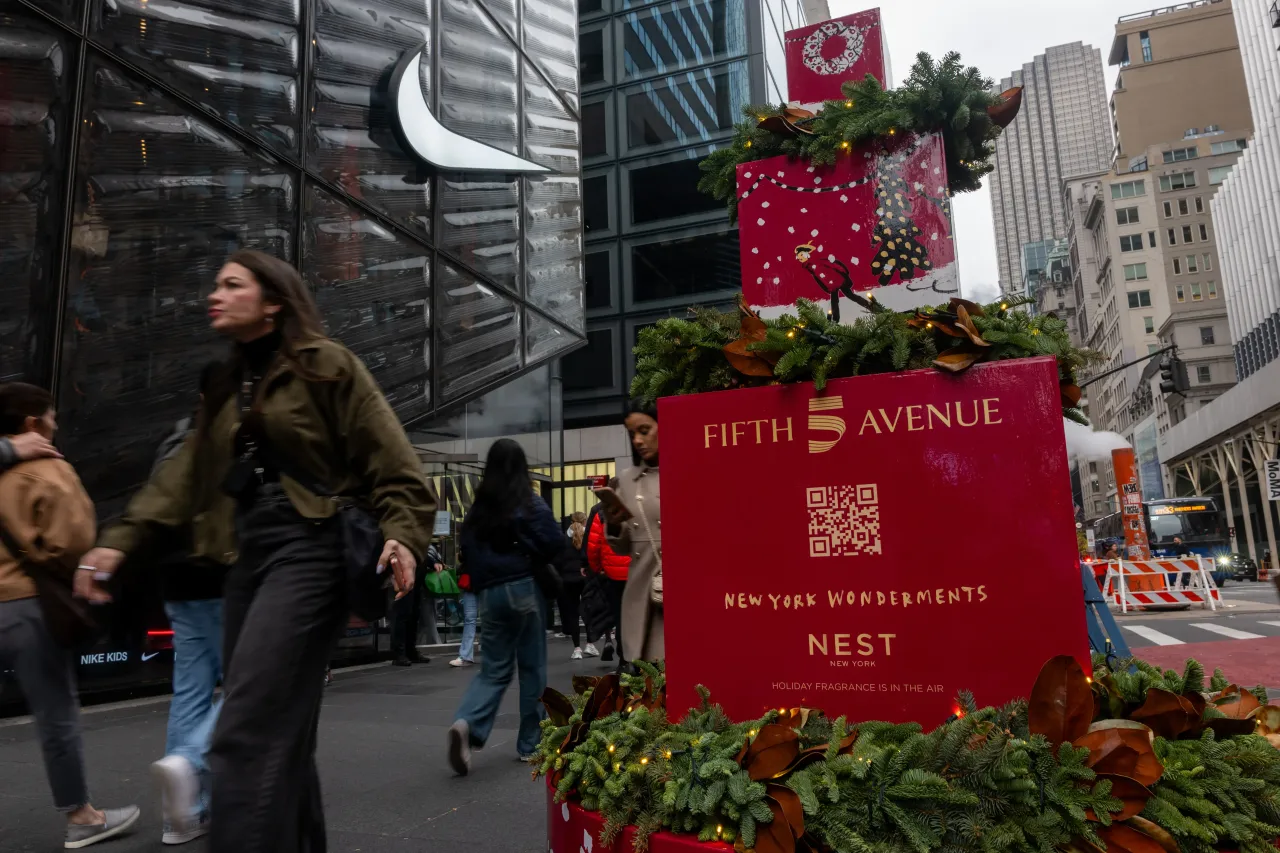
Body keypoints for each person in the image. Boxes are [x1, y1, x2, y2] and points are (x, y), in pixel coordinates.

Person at [75, 249, 436, 852]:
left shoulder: (328, 365)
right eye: (215, 283)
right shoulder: (225, 382)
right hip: (245, 556)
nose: (214, 294)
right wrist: (118, 543)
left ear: (272, 302)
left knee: (244, 730)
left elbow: (393, 463)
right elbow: (183, 478)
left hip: (311, 545)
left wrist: (403, 533)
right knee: (283, 735)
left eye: (232, 284)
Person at [0, 382, 141, 848]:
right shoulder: (47, 471)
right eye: (53, 417)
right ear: (33, 424)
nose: (57, 425)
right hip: (26, 606)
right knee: (55, 713)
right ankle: (83, 816)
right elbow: (74, 542)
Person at [448, 439, 563, 775]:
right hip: (524, 588)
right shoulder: (529, 502)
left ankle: (466, 723)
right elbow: (554, 542)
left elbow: (467, 551)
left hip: (490, 595)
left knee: (493, 670)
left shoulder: (479, 508)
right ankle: (530, 744)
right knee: (532, 669)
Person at [148, 373, 230, 845]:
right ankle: (191, 764)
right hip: (222, 579)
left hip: (176, 582)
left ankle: (182, 815)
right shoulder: (234, 445)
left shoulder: (172, 444)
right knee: (247, 686)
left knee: (190, 692)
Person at [600, 400, 663, 664]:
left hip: (692, 592)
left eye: (644, 430)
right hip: (645, 593)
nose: (637, 440)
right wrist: (613, 524)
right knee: (655, 676)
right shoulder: (626, 480)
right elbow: (624, 547)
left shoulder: (691, 469)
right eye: (632, 434)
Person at [584, 491, 630, 663]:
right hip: (635, 572)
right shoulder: (634, 509)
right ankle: (641, 660)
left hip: (612, 574)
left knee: (618, 616)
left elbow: (593, 546)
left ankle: (624, 660)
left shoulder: (600, 513)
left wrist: (597, 569)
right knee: (636, 615)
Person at [392, 541, 444, 666]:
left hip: (416, 581)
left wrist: (433, 562)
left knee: (413, 616)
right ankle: (400, 653)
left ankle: (410, 651)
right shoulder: (405, 537)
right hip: (403, 579)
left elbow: (422, 553)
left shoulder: (418, 538)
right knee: (402, 615)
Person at [556, 513, 597, 660]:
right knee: (587, 610)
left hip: (568, 579)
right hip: (585, 578)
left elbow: (557, 560)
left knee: (573, 613)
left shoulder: (562, 538)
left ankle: (577, 648)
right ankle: (590, 644)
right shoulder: (588, 537)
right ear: (585, 521)